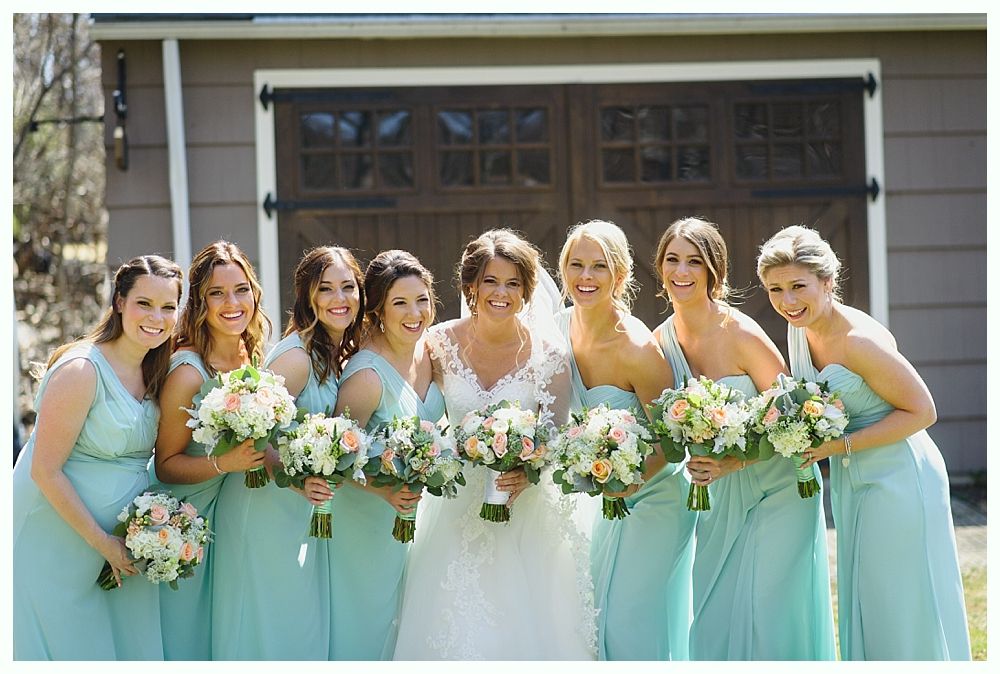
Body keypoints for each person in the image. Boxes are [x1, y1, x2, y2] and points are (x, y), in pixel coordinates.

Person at [759, 224, 971, 660]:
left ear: (828, 282)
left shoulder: (858, 342)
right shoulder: (799, 329)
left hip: (899, 476)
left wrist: (839, 446)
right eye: (776, 289)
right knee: (868, 596)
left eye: (799, 286)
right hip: (855, 477)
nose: (788, 301)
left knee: (901, 599)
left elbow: (923, 410)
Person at [393, 228, 597, 660]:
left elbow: (555, 436)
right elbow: (419, 418)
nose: (501, 293)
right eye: (490, 281)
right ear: (471, 286)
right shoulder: (438, 344)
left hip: (524, 508)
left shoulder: (550, 355)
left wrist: (528, 470)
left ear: (526, 291)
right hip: (455, 505)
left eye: (512, 283)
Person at [653, 217, 836, 660]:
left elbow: (796, 418)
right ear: (660, 268)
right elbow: (664, 429)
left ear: (714, 270)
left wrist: (738, 460)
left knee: (769, 613)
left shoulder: (741, 333)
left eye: (694, 261)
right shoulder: (660, 342)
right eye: (673, 260)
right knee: (714, 613)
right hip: (717, 496)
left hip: (778, 487)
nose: (682, 271)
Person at [13, 255, 182, 660]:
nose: (156, 317)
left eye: (168, 307)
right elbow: (45, 470)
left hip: (117, 549)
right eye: (144, 303)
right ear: (119, 302)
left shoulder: (158, 370)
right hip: (56, 539)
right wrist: (103, 542)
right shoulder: (81, 370)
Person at [210, 245, 364, 659]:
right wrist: (296, 481)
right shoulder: (296, 358)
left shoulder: (332, 351)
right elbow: (250, 435)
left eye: (348, 287)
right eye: (326, 289)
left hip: (294, 507)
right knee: (269, 624)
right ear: (307, 296)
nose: (339, 299)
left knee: (295, 625)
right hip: (261, 507)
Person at [553, 219, 693, 660]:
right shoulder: (557, 331)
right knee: (596, 620)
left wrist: (626, 482)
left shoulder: (638, 349)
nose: (586, 277)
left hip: (655, 497)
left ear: (620, 276)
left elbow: (673, 446)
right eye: (577, 265)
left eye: (599, 266)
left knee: (630, 621)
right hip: (601, 499)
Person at [153, 241, 271, 660]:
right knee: (187, 635)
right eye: (217, 294)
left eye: (240, 289)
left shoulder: (251, 355)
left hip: (234, 520)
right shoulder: (187, 371)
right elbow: (165, 466)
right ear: (199, 304)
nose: (232, 303)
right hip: (189, 517)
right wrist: (225, 463)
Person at [329, 249, 445, 659]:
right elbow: (332, 460)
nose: (415, 313)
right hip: (367, 518)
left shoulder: (431, 350)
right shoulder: (366, 376)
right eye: (400, 303)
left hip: (418, 518)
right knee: (370, 623)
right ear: (377, 309)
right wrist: (385, 493)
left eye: (422, 300)